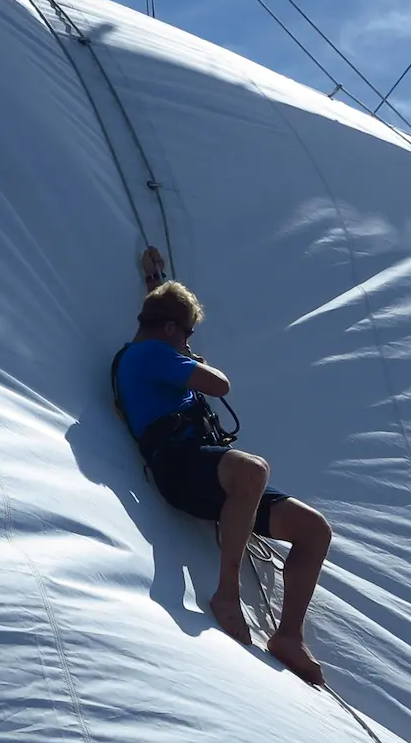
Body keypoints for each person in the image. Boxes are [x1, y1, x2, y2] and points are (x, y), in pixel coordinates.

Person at [114, 269, 334, 686]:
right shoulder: (151, 354)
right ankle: (227, 591)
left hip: (207, 472)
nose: (190, 344)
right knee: (253, 468)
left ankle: (289, 636)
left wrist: (154, 284)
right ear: (169, 329)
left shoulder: (155, 350)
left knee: (313, 529)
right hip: (181, 464)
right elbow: (219, 385)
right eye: (188, 334)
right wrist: (193, 359)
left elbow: (165, 323)